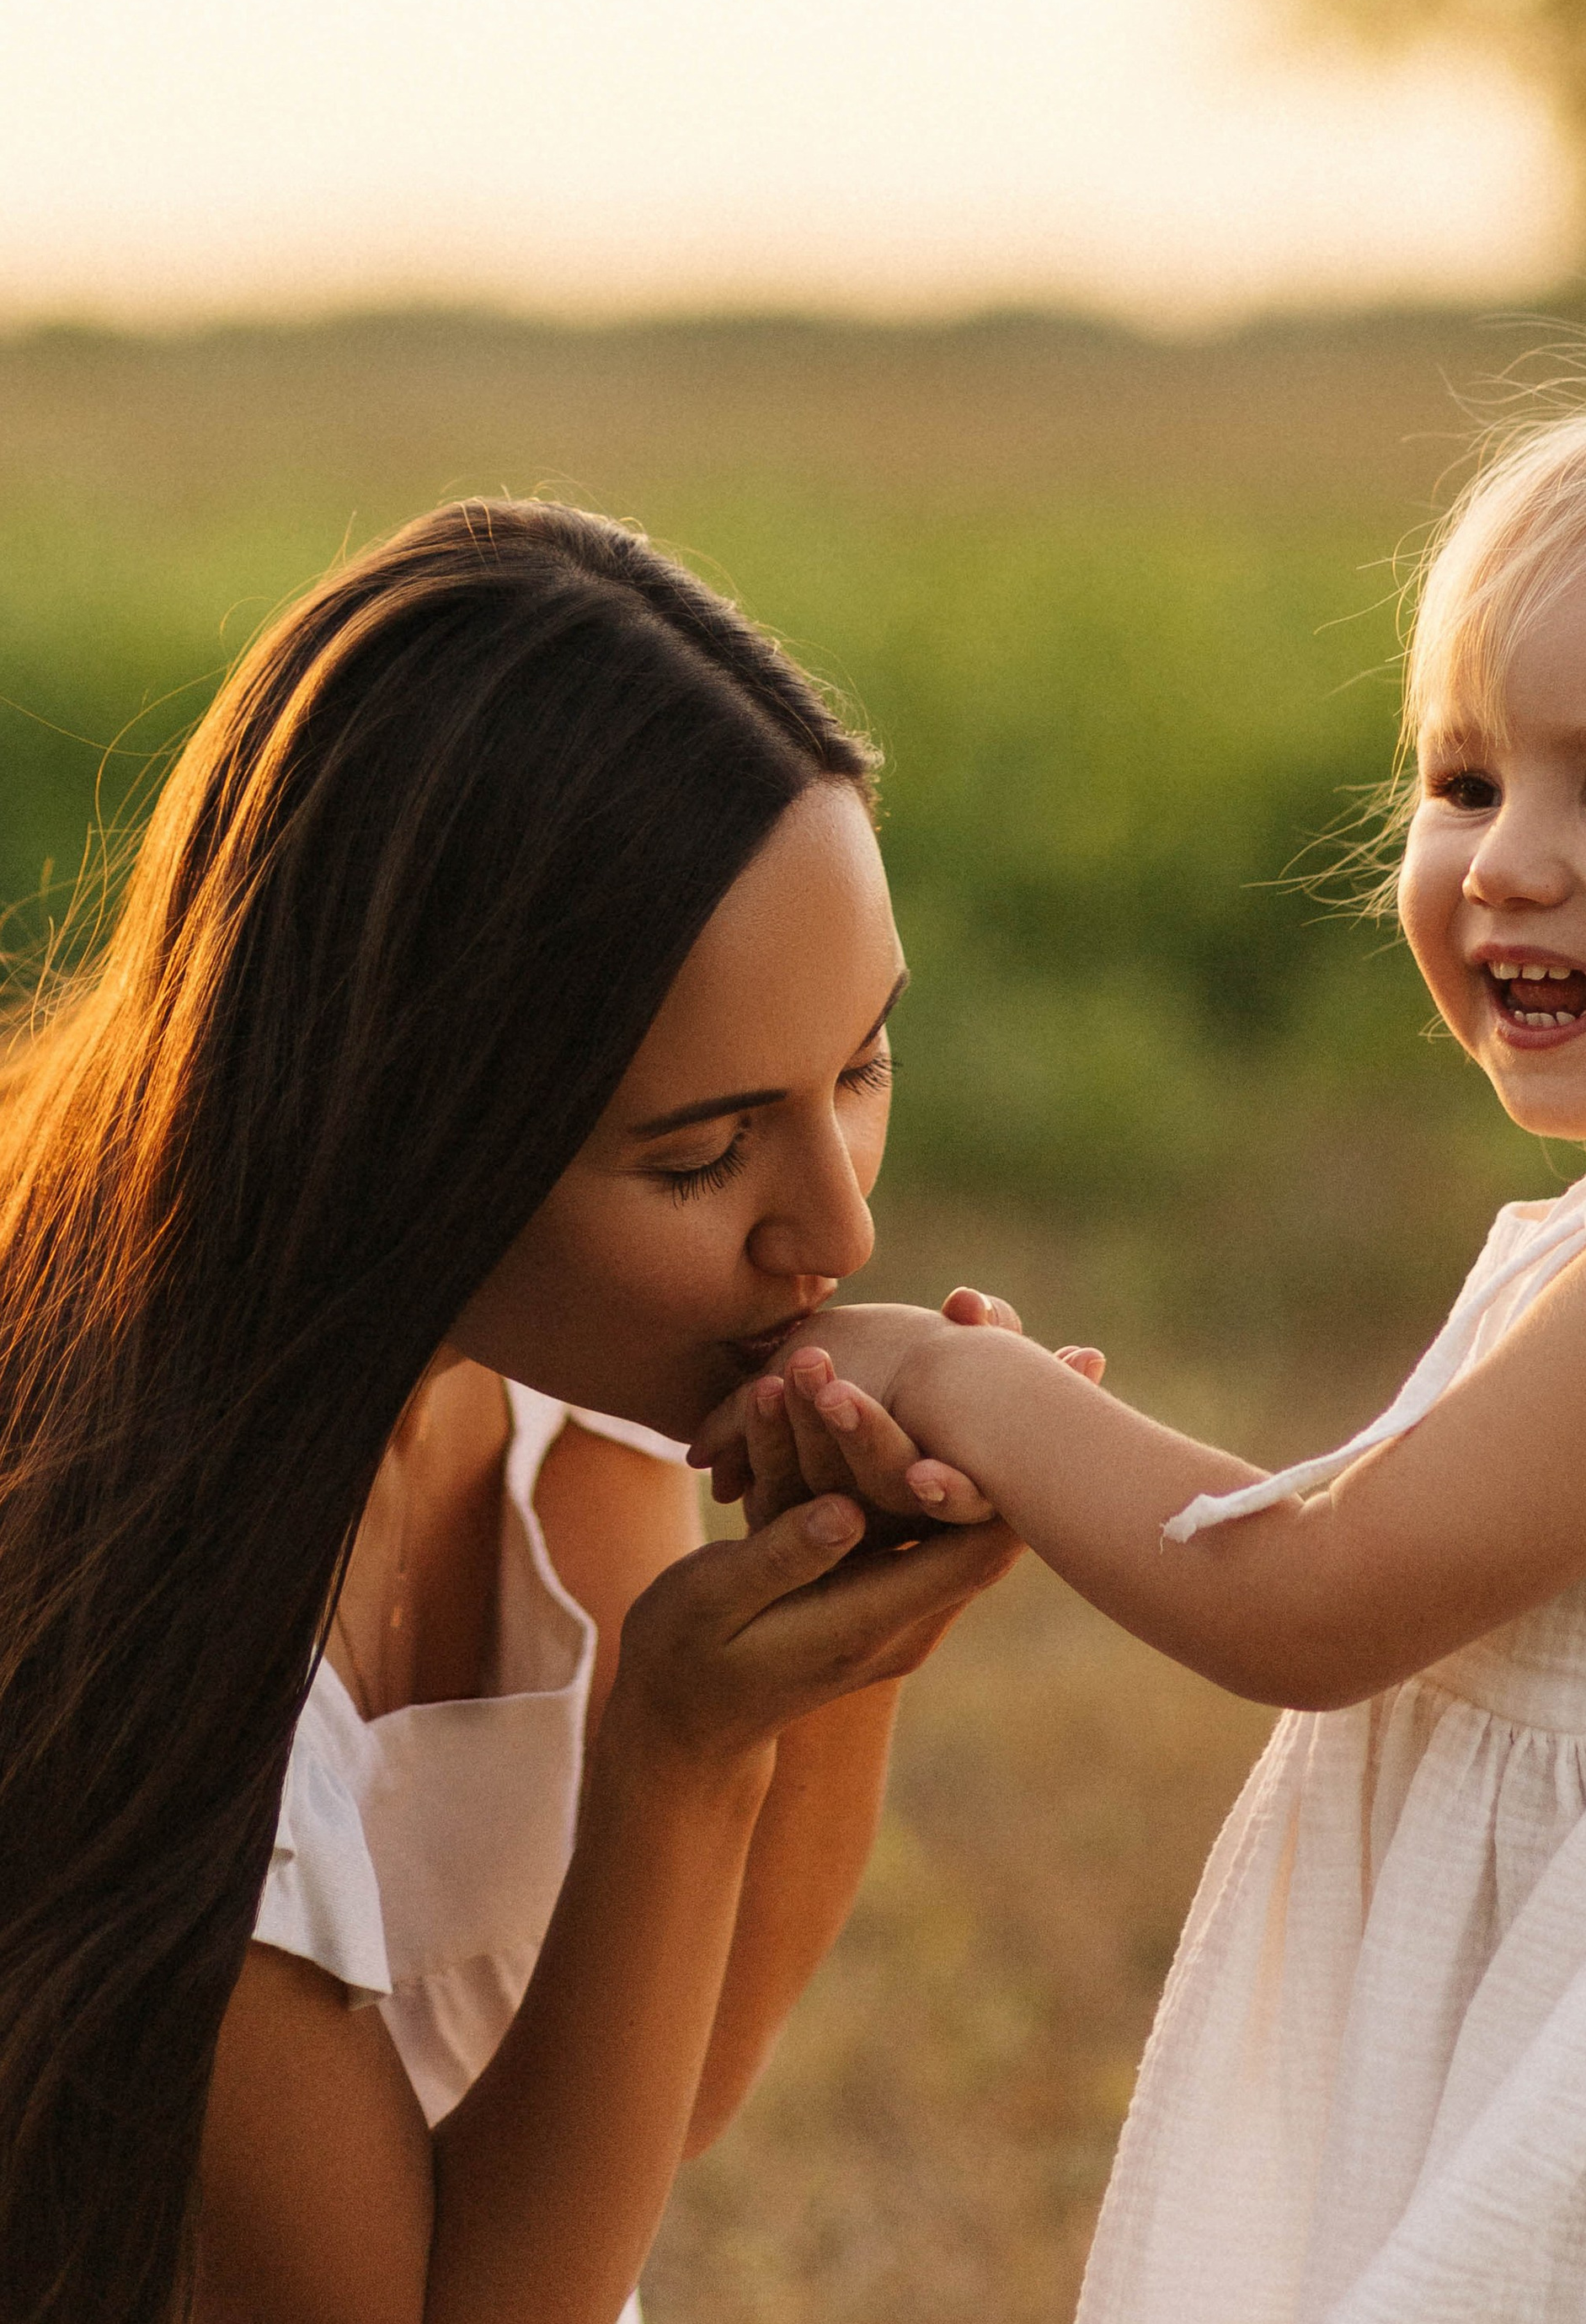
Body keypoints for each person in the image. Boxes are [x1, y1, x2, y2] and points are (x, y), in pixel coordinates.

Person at [708, 351, 1586, 2321]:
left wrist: (967, 1384)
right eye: (1461, 776)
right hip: (1560, 2064)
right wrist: (1022, 1415)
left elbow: (1308, 1600)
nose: (1502, 859)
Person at [0, 500, 1043, 2324]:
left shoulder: (570, 1407)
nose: (840, 1224)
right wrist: (683, 1750)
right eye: (705, 1149)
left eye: (860, 1061)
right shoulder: (93, 1565)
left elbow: (671, 2088)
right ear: (405, 1128)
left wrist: (841, 1651)